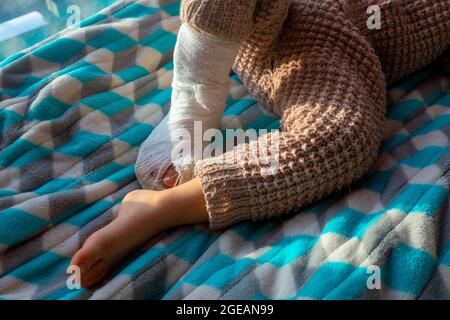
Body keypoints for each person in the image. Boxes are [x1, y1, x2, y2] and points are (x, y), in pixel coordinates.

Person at [71, 0, 450, 288]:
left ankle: (162, 206)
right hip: (274, 12)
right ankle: (192, 101)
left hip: (331, 46)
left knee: (342, 137)